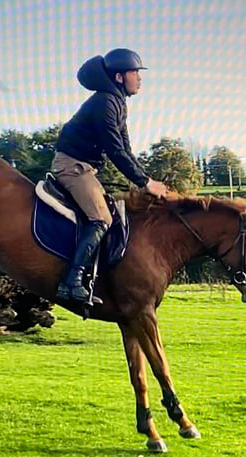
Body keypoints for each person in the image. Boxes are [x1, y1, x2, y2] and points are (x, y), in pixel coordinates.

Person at [53, 48, 169, 304]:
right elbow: (114, 150)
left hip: (85, 168)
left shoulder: (118, 103)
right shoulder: (105, 102)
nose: (139, 78)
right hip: (72, 167)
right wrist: (145, 183)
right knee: (101, 218)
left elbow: (125, 149)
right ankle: (71, 282)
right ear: (119, 77)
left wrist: (146, 180)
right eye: (135, 73)